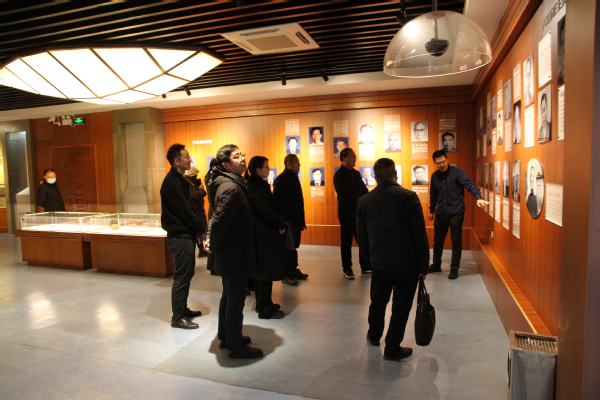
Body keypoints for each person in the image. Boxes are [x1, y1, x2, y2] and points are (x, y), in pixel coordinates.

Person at [356, 158, 429, 361]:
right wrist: (423, 265)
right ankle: (392, 346)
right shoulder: (409, 197)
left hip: (380, 263)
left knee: (378, 301)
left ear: (376, 177)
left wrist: (368, 259)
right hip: (407, 264)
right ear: (394, 174)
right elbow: (419, 234)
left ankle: (374, 335)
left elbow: (361, 235)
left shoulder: (365, 201)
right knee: (401, 306)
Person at [206, 144, 263, 359]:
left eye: (242, 154)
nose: (243, 158)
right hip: (233, 254)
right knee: (235, 299)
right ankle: (235, 345)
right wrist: (211, 242)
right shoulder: (230, 187)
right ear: (226, 164)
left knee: (229, 296)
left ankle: (226, 336)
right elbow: (218, 220)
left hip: (230, 252)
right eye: (237, 156)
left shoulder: (228, 182)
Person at [160, 144, 207, 329]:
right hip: (179, 235)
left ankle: (183, 309)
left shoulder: (180, 179)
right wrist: (201, 227)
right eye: (186, 157)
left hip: (185, 234)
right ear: (176, 161)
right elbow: (185, 211)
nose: (190, 160)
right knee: (182, 275)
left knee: (187, 273)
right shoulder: (172, 183)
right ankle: (178, 317)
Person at [428, 150, 488, 279]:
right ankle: (436, 265)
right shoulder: (434, 176)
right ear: (435, 163)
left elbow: (469, 184)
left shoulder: (458, 172)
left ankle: (454, 269)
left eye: (443, 161)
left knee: (456, 241)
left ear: (447, 159)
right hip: (441, 213)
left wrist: (478, 197)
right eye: (438, 163)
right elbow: (433, 195)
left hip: (456, 213)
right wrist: (431, 210)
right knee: (438, 241)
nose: (442, 165)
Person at [244, 156, 286, 320]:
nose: (269, 169)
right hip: (262, 234)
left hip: (262, 232)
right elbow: (265, 210)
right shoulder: (256, 187)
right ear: (257, 169)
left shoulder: (257, 185)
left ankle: (266, 303)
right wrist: (279, 223)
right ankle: (264, 308)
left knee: (265, 271)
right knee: (263, 272)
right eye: (266, 167)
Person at [333, 148, 369, 279]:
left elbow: (363, 190)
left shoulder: (356, 173)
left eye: (355, 156)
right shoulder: (339, 175)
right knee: (346, 242)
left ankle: (365, 265)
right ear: (344, 158)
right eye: (352, 156)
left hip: (358, 213)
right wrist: (358, 198)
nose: (355, 159)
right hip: (346, 214)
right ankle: (347, 268)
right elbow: (345, 194)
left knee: (362, 239)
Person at [273, 154, 309, 285]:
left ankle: (293, 269)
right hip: (287, 220)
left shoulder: (293, 178)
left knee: (293, 247)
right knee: (287, 247)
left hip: (295, 219)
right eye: (297, 163)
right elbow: (278, 203)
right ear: (289, 163)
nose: (299, 165)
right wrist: (281, 221)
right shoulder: (282, 180)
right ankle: (285, 273)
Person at [184, 165, 208, 258]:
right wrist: (201, 189)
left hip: (197, 211)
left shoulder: (192, 182)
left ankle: (201, 249)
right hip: (195, 212)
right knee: (198, 232)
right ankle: (200, 250)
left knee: (199, 233)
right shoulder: (188, 182)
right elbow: (195, 195)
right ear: (193, 174)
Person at [205, 158, 218, 274]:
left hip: (212, 209)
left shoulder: (208, 176)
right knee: (214, 237)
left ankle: (211, 266)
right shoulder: (214, 177)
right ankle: (214, 267)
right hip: (215, 209)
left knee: (212, 236)